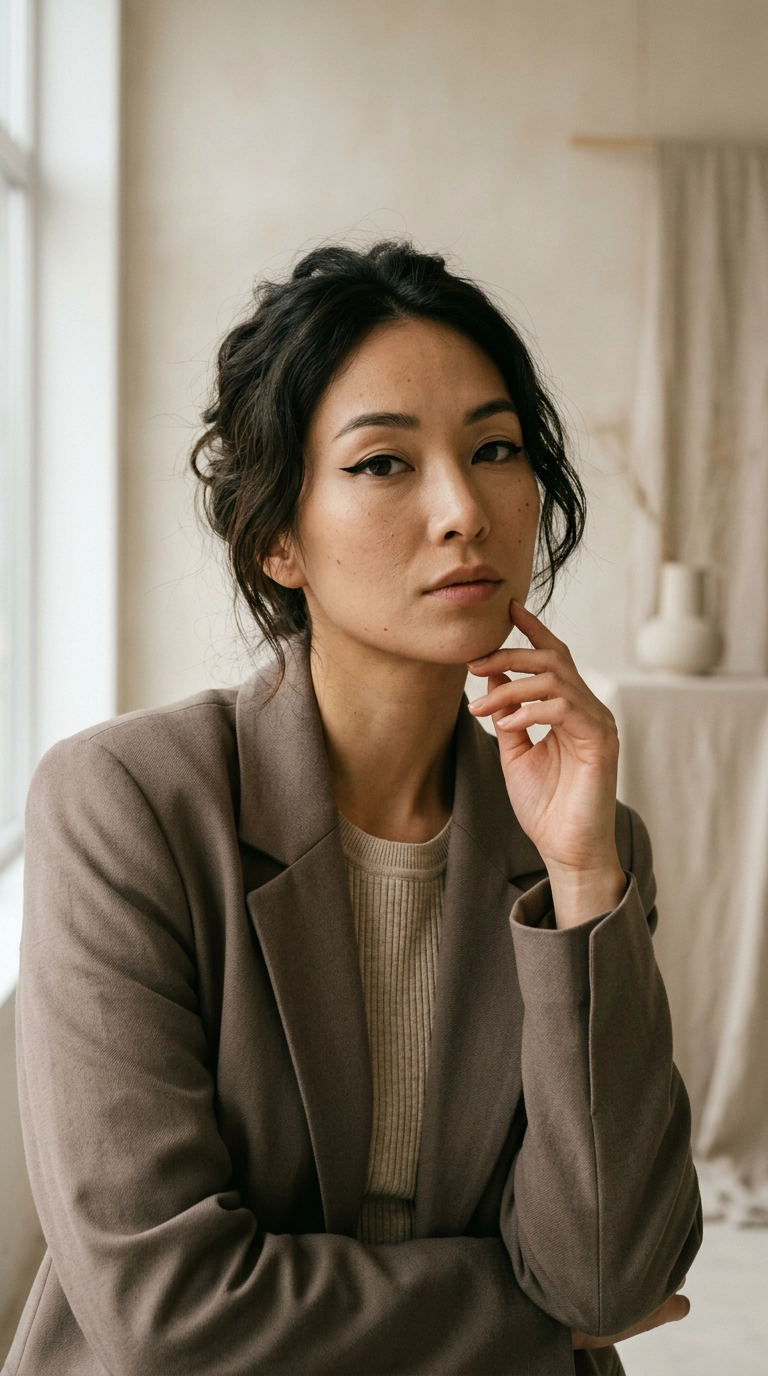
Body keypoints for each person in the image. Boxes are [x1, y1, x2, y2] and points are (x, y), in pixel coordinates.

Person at [6, 242, 701, 1376]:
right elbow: (170, 1314)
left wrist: (580, 879)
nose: (463, 509)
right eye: (384, 463)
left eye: (495, 448)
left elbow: (614, 1273)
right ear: (278, 537)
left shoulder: (589, 840)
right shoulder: (125, 802)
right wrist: (532, 1321)